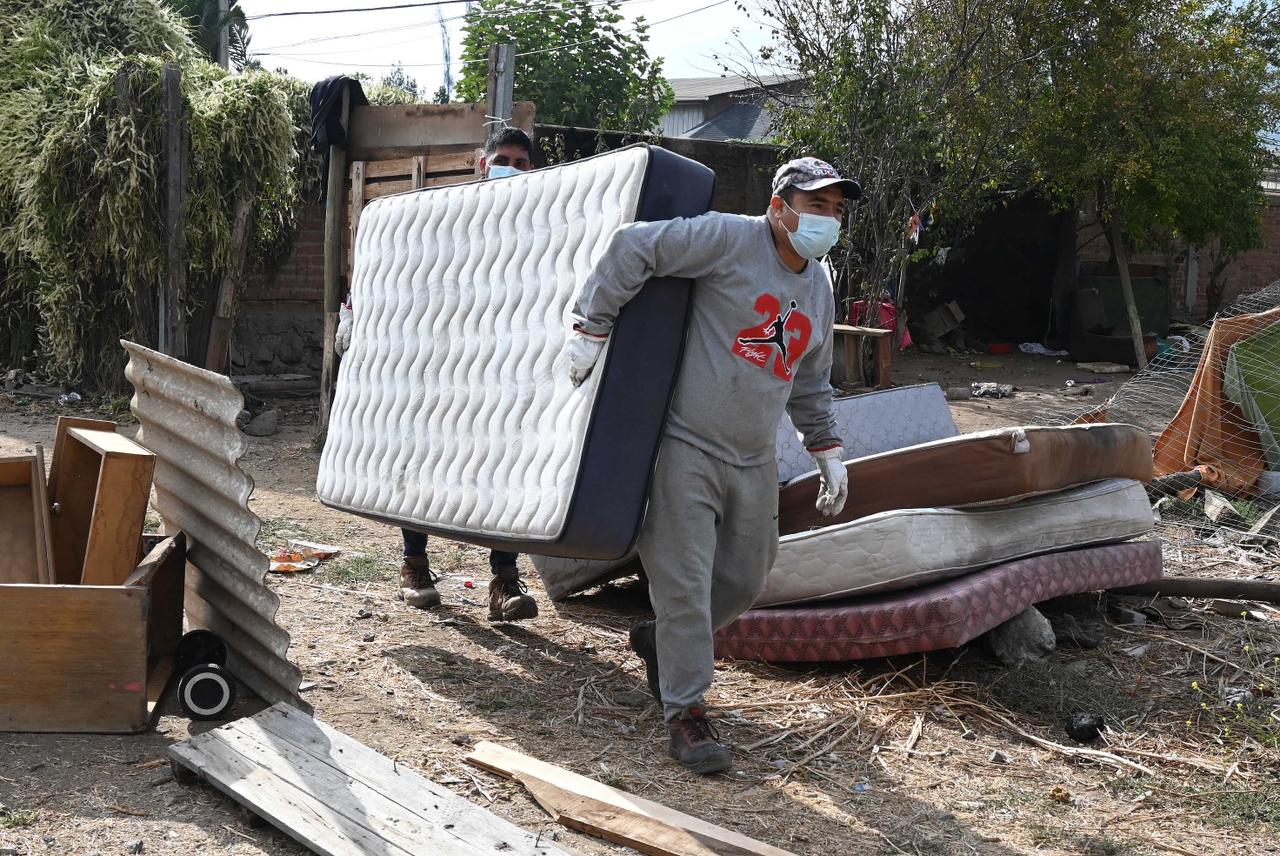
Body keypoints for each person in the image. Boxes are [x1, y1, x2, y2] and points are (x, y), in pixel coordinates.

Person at [564, 157, 857, 774]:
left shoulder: (820, 285)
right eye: (815, 205)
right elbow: (633, 246)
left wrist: (826, 448)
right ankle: (687, 713)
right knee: (686, 584)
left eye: (835, 209)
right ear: (779, 207)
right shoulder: (729, 238)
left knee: (748, 579)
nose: (826, 219)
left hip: (753, 456)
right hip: (686, 446)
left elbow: (809, 376)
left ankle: (659, 642)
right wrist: (592, 325)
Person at [336, 127, 541, 622]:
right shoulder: (447, 212)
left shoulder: (539, 221)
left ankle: (504, 582)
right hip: (439, 355)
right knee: (420, 454)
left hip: (503, 361)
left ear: (531, 169)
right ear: (481, 164)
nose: (509, 167)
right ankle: (414, 567)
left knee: (502, 467)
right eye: (502, 159)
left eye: (519, 161)